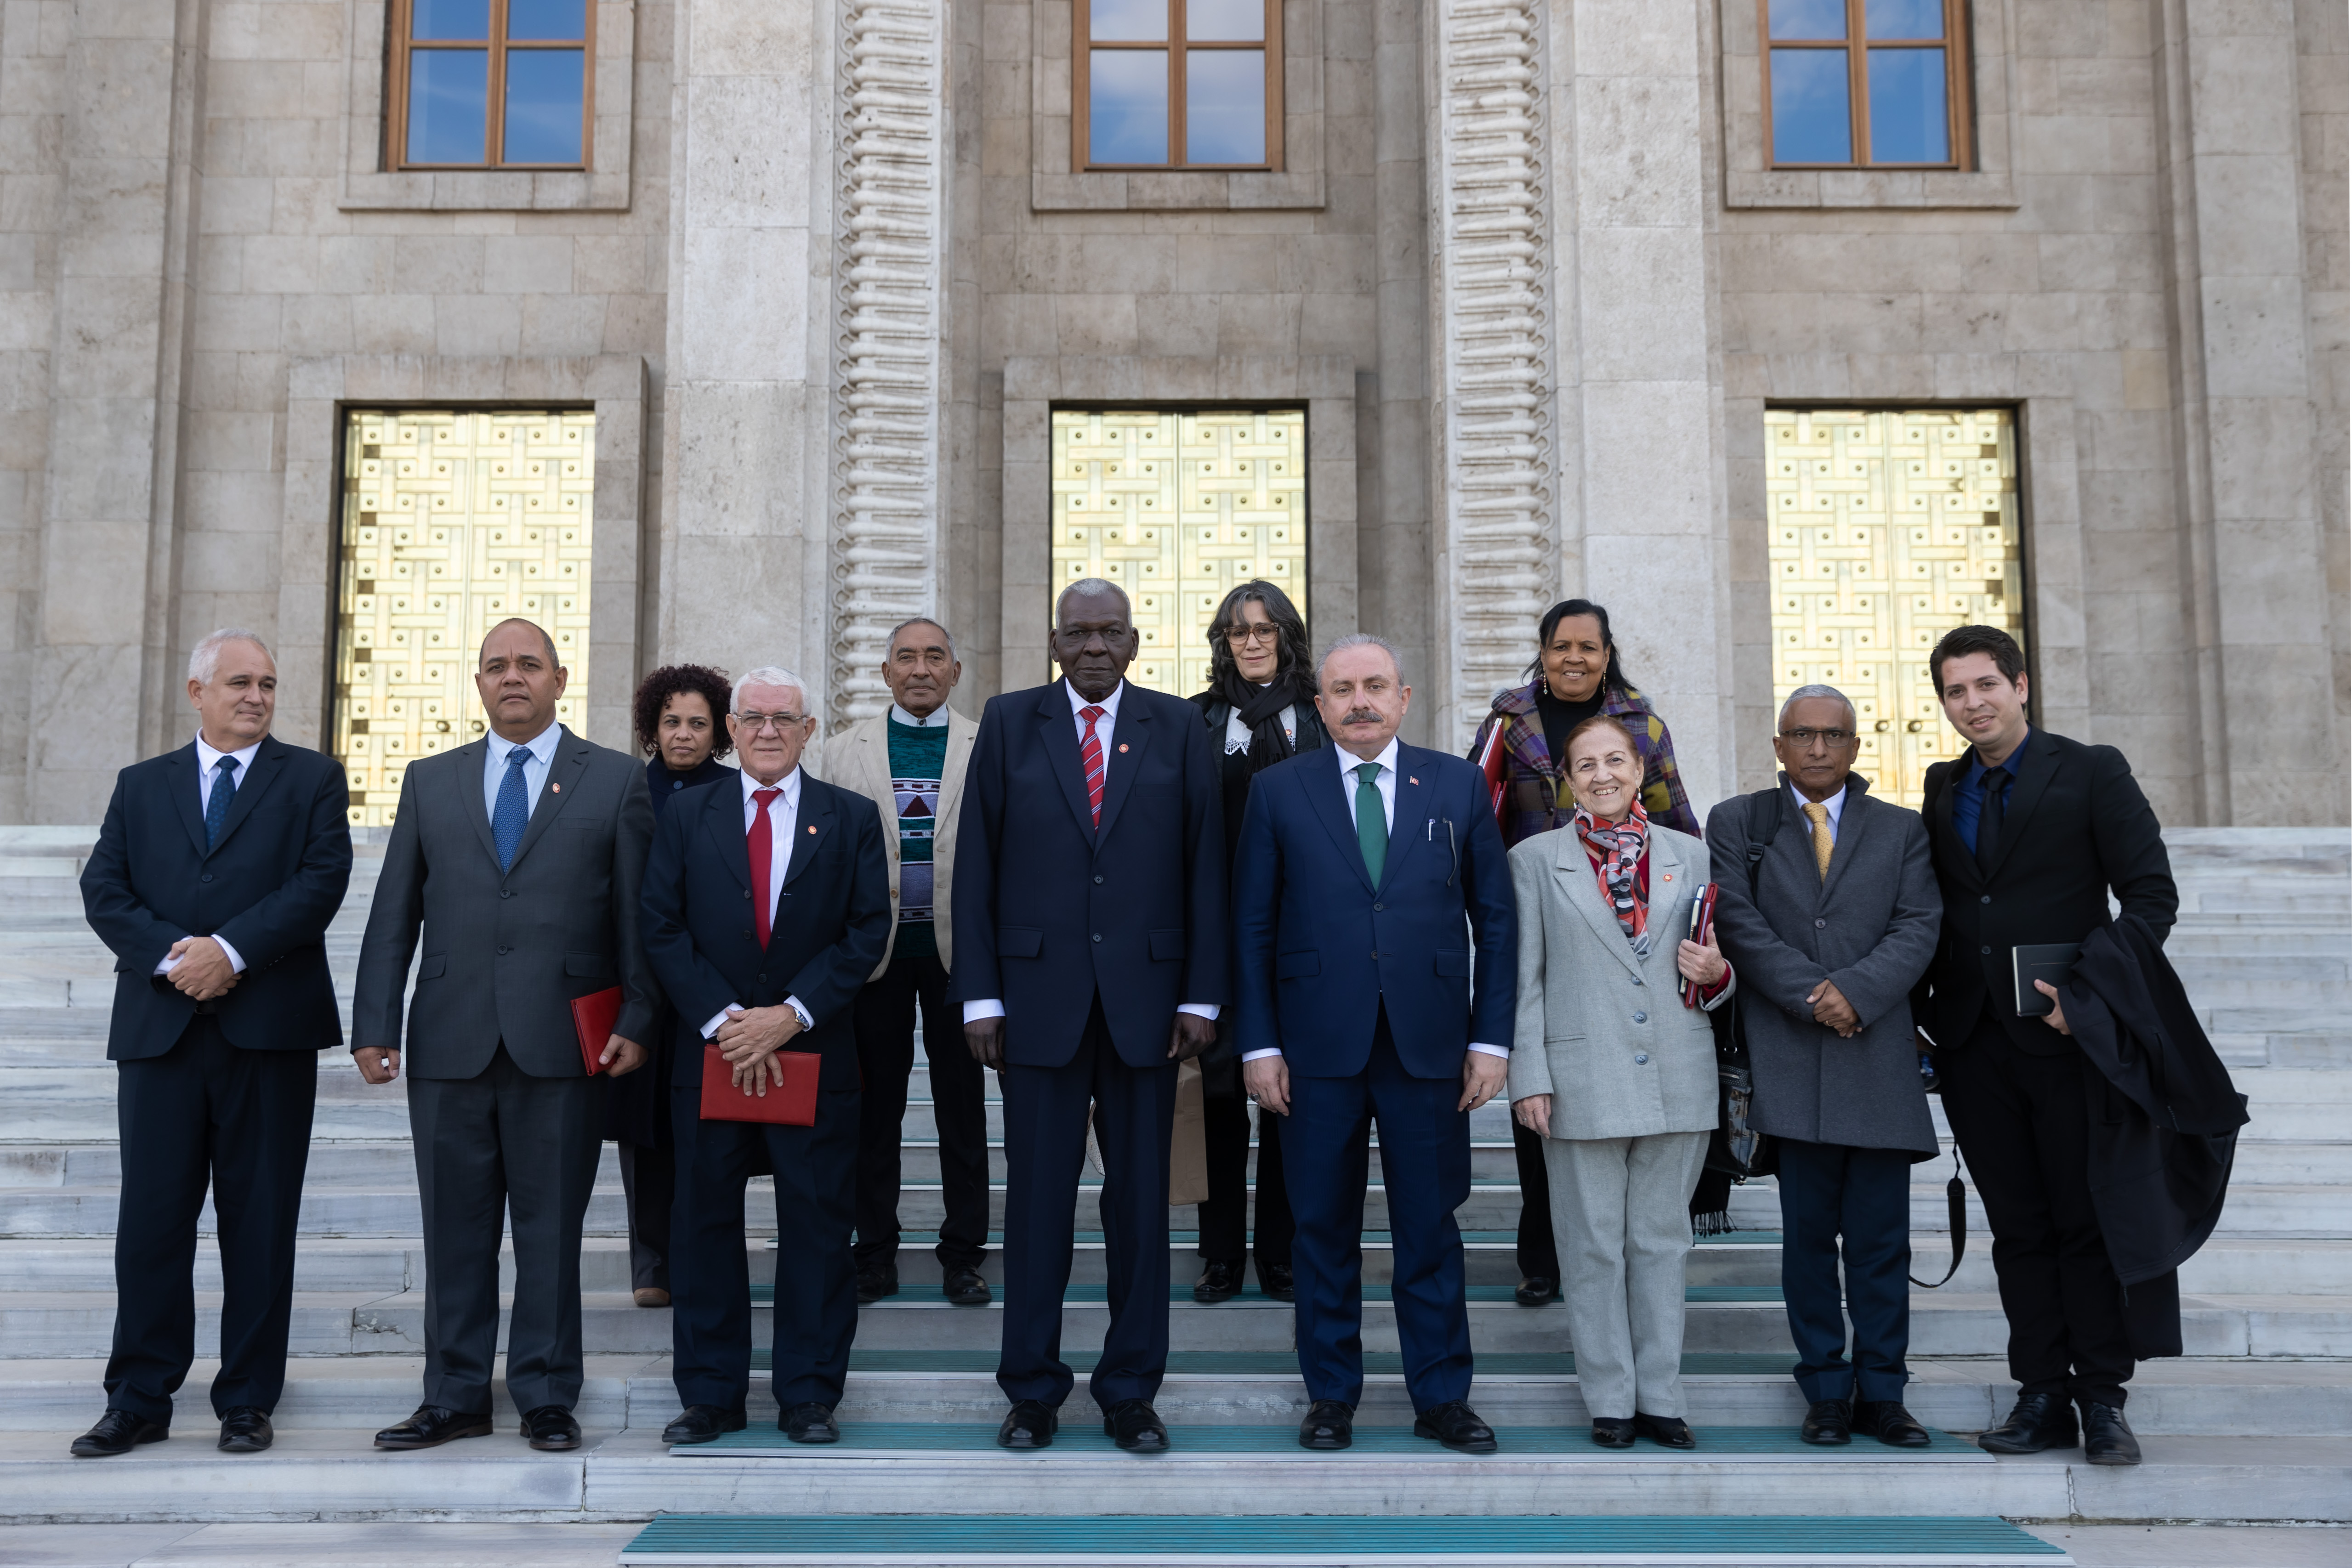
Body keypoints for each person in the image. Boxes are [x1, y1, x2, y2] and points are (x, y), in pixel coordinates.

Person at [351, 618, 657, 1455]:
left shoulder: (617, 781)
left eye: (529, 664)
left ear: (560, 679)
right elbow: (392, 916)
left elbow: (637, 916)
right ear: (478, 685)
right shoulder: (430, 780)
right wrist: (374, 1021)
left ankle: (548, 1394)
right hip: (449, 1040)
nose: (512, 677)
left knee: (550, 1229)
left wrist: (637, 1017)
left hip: (565, 1044)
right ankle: (452, 1394)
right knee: (454, 1227)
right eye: (496, 666)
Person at [954, 577, 1225, 1454]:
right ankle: (1031, 1390)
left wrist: (1199, 992)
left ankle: (1129, 1390)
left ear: (1136, 642)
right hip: (1036, 1005)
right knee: (1036, 1206)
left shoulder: (1179, 727)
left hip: (1150, 1006)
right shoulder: (1007, 721)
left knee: (1141, 1208)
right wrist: (983, 994)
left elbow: (1204, 865)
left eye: (1110, 631)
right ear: (1055, 641)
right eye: (1079, 632)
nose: (1095, 645)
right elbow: (977, 864)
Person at [70, 630, 352, 1459]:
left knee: (260, 1221)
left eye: (267, 683)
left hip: (267, 1033)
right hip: (161, 1034)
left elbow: (319, 881)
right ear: (197, 691)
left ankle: (247, 1398)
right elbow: (104, 888)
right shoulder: (140, 784)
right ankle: (138, 1397)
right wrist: (175, 956)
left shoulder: (311, 778)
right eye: (239, 682)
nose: (256, 696)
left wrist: (227, 951)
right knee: (151, 1222)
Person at [1231, 634, 1514, 1455]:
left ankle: (1441, 1395)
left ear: (1404, 696)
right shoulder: (1279, 791)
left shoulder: (1458, 785)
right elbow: (1250, 927)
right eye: (1342, 689)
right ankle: (1330, 1395)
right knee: (1320, 1228)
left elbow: (1494, 921)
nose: (1359, 701)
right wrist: (1258, 1047)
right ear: (1318, 704)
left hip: (1430, 1045)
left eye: (1374, 686)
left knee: (1430, 1227)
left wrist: (1490, 1039)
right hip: (1314, 1046)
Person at [1910, 625, 2178, 1467]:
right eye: (1956, 691)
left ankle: (2102, 1396)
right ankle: (2039, 1392)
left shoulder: (2091, 769)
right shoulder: (1938, 783)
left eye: (1986, 684)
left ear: (2021, 685)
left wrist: (2090, 998)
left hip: (2070, 1042)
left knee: (2083, 1219)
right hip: (1972, 1044)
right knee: (2018, 1226)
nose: (1972, 703)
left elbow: (2149, 897)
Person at [641, 667, 891, 1445]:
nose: (768, 730)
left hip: (809, 1051)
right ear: (730, 727)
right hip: (713, 1052)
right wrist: (727, 1021)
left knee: (815, 1227)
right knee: (704, 1226)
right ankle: (711, 1395)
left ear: (809, 730)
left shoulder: (848, 817)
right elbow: (661, 924)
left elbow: (866, 930)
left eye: (784, 718)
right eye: (751, 717)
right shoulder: (687, 814)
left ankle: (809, 1395)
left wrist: (789, 1015)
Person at [1705, 685, 1942, 1449]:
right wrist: (1814, 995)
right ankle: (1825, 1389)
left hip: (1873, 1057)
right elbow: (1735, 918)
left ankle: (1883, 1391)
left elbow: (1919, 924)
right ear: (1778, 745)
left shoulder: (1901, 829)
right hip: (1790, 1056)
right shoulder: (1737, 822)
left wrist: (1857, 993)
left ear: (1854, 746)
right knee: (1807, 1240)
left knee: (1880, 1242)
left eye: (1832, 735)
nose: (1816, 748)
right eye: (1801, 734)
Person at [1507, 713, 1733, 1450]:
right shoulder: (1534, 860)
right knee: (1591, 1245)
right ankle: (1610, 1396)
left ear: (1640, 771)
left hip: (1678, 1074)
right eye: (1585, 765)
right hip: (1578, 1077)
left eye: (1615, 761)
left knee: (1662, 1241)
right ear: (1565, 779)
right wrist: (1529, 1076)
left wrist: (1719, 975)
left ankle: (1661, 1396)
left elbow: (1717, 971)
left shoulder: (1690, 855)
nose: (1602, 774)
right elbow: (1524, 978)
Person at [1468, 599, 1700, 1309]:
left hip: (1632, 924)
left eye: (1588, 648)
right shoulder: (1508, 724)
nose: (1575, 658)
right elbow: (1477, 813)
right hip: (1540, 910)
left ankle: (1634, 1257)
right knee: (1544, 1100)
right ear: (1541, 651)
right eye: (1561, 646)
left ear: (1607, 653)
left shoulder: (1643, 726)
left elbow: (1674, 817)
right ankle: (1542, 1257)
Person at [817, 619, 990, 1308]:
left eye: (935, 657)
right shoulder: (838, 753)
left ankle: (963, 1253)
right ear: (885, 673)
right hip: (872, 958)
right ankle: (874, 1252)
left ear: (956, 670)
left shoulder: (989, 746)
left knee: (963, 1110)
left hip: (960, 957)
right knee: (873, 1111)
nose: (921, 669)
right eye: (906, 658)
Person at [1186, 579, 1326, 1305]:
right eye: (1238, 631)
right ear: (1223, 642)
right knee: (1215, 1099)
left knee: (1285, 1098)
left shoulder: (1319, 716)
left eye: (1264, 630)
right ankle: (1219, 1255)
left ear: (1286, 637)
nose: (1250, 642)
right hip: (1215, 935)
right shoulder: (1196, 719)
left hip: (1299, 940)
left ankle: (1278, 1252)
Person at [614, 663, 739, 1310]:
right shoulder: (626, 789)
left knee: (703, 1130)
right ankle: (651, 1260)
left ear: (719, 729)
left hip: (709, 988)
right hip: (640, 991)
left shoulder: (737, 789)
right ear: (651, 726)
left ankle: (698, 1252)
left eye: (697, 722)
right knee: (643, 1129)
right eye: (671, 722)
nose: (683, 734)